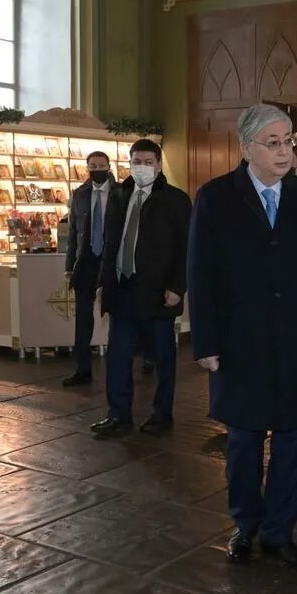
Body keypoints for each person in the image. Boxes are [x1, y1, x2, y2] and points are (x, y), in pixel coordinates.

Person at [188, 104, 297, 574]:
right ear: (246, 148)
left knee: (295, 440)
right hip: (240, 343)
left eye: (287, 141)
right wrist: (206, 342)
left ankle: (279, 533)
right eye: (272, 143)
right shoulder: (216, 198)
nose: (284, 151)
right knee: (243, 441)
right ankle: (246, 525)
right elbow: (201, 273)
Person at [91, 139, 191, 437]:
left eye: (148, 162)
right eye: (137, 162)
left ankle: (162, 414)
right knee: (118, 356)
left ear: (158, 165)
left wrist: (177, 286)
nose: (142, 167)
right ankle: (118, 414)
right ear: (129, 163)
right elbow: (110, 244)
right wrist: (103, 282)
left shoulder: (175, 200)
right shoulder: (119, 196)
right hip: (123, 289)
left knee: (162, 358)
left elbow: (186, 248)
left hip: (159, 292)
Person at [62, 151, 114, 387]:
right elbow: (73, 233)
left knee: (118, 317)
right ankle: (82, 369)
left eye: (101, 165)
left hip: (111, 263)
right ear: (87, 168)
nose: (97, 169)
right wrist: (69, 266)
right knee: (83, 319)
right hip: (86, 263)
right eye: (93, 166)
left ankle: (121, 367)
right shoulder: (80, 194)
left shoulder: (120, 192)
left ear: (109, 167)